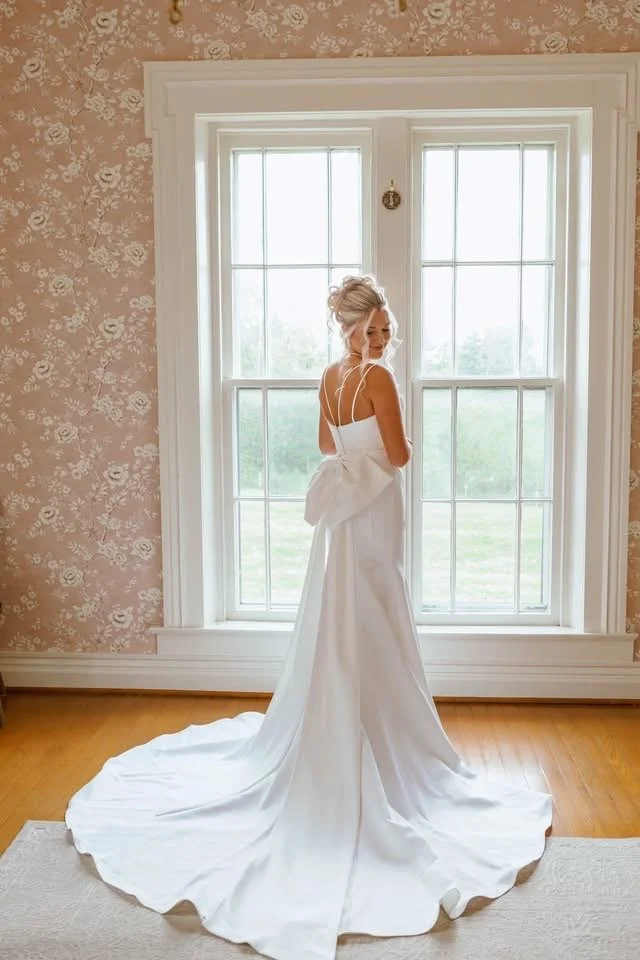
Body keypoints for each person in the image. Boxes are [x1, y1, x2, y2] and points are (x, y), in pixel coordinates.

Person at [65, 275, 553, 960]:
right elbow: (403, 454)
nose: (383, 340)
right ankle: (379, 731)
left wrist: (354, 464)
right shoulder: (377, 379)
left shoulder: (327, 379)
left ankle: (349, 707)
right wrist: (373, 461)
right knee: (378, 602)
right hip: (376, 508)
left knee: (344, 604)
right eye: (375, 329)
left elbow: (329, 446)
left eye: (386, 330)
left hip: (346, 512)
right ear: (354, 327)